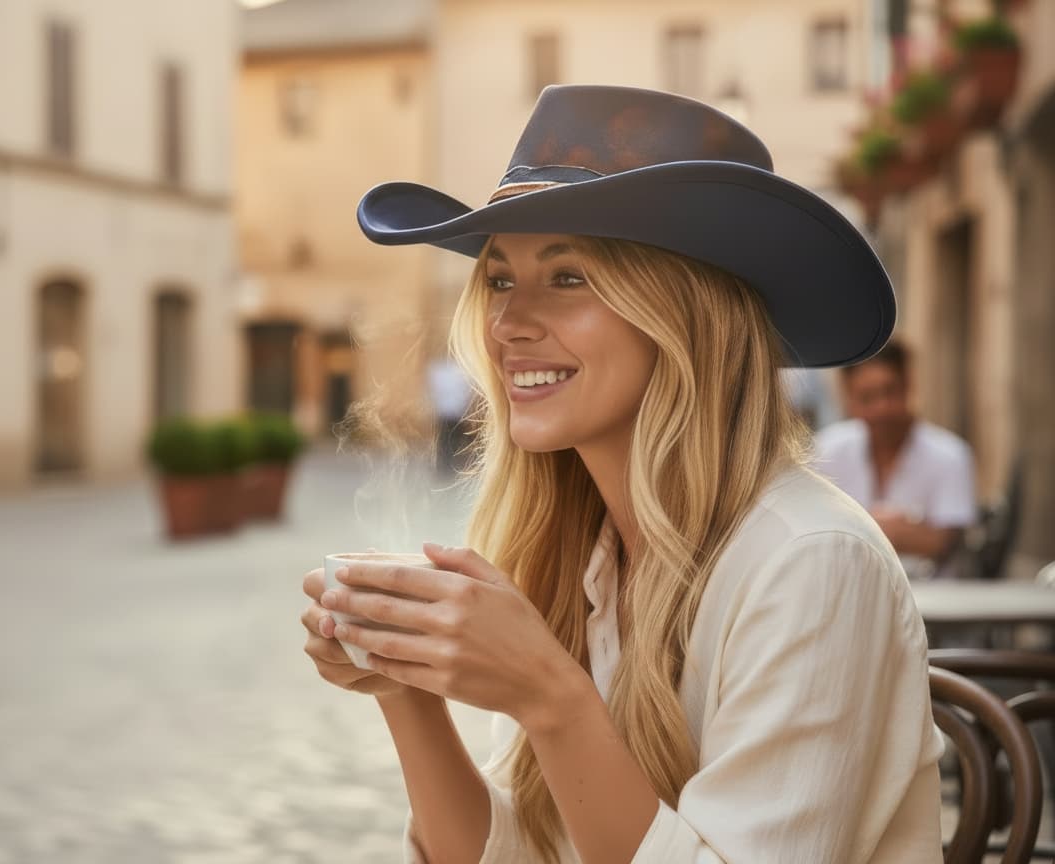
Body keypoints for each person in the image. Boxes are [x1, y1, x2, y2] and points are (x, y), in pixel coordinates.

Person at [300, 85, 943, 862]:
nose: (509, 324)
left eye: (568, 278)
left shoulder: (812, 562)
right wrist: (403, 687)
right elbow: (522, 851)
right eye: (500, 279)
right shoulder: (581, 555)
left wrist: (549, 695)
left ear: (684, 316)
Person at [814, 339, 977, 581]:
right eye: (867, 398)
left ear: (908, 386)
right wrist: (898, 531)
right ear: (848, 397)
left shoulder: (951, 455)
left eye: (890, 392)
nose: (882, 408)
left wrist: (858, 529)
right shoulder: (827, 450)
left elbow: (944, 542)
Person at [427, 356, 474, 474]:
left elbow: (433, 393)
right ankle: (449, 466)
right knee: (448, 441)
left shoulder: (442, 370)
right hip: (450, 412)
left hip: (452, 412)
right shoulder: (456, 370)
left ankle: (450, 466)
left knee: (450, 441)